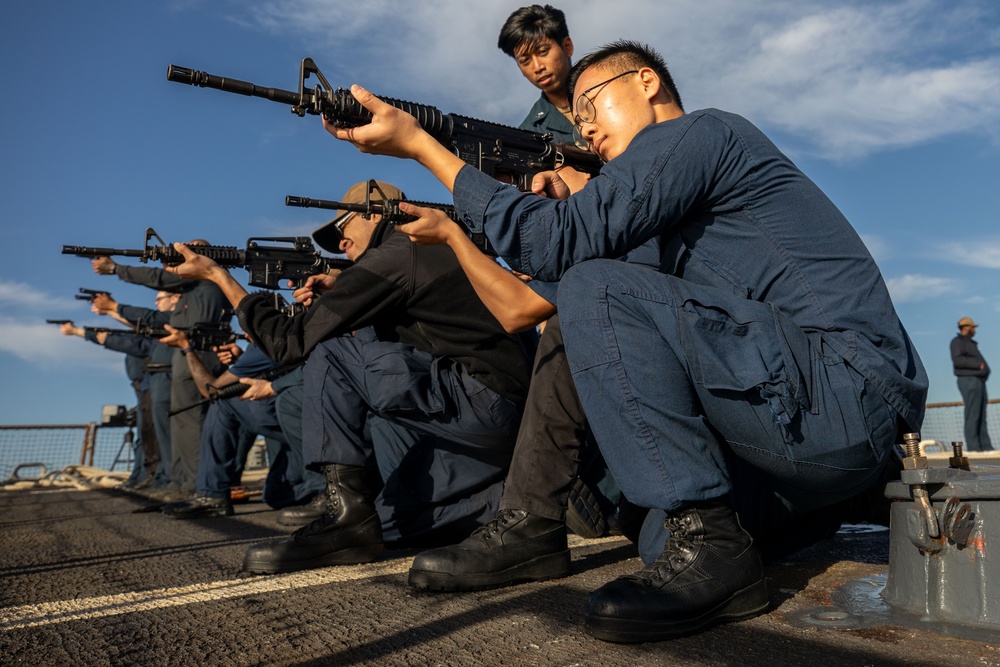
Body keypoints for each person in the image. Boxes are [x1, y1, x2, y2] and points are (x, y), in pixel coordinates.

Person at [321, 40, 927, 643]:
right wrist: (513, 222)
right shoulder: (661, 219)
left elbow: (565, 254)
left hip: (846, 392)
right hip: (812, 423)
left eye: (589, 107)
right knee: (657, 537)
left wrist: (425, 147)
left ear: (646, 83)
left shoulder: (700, 133)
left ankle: (713, 544)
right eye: (575, 119)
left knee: (594, 287)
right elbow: (540, 301)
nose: (583, 131)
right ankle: (836, 498)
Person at [163, 180, 533, 574]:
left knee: (331, 350)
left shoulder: (397, 252)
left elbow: (288, 343)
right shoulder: (425, 249)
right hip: (502, 416)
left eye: (343, 229)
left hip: (481, 402)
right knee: (391, 521)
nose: (340, 244)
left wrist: (219, 277)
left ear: (375, 213)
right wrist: (344, 289)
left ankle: (345, 518)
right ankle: (519, 501)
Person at [92, 245, 232, 497]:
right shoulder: (193, 287)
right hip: (187, 352)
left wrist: (115, 268)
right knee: (180, 422)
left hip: (197, 352)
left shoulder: (203, 278)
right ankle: (179, 483)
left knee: (190, 422)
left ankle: (196, 486)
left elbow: (159, 278)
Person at [951, 316, 993, 451]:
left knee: (981, 414)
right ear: (966, 327)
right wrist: (978, 365)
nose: (974, 330)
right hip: (968, 380)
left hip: (979, 381)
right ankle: (974, 447)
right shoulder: (957, 342)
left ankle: (986, 447)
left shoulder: (971, 343)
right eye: (973, 327)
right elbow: (958, 361)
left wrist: (984, 371)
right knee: (972, 414)